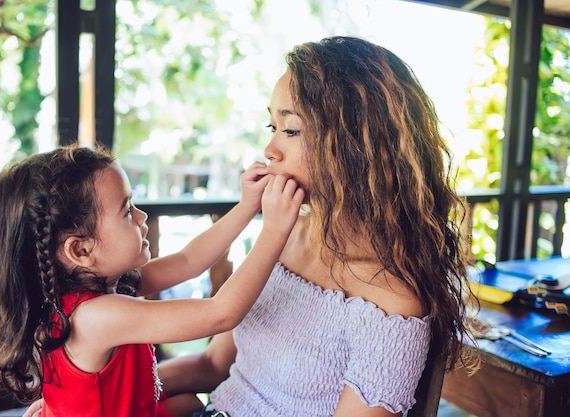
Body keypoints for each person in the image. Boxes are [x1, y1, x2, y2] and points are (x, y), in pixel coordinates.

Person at [156, 36, 478, 417]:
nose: (270, 150)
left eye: (290, 130)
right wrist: (114, 390)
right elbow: (213, 364)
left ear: (356, 144)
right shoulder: (284, 235)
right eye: (271, 125)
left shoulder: (392, 304)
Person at [0, 144, 304, 417]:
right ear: (81, 249)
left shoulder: (102, 285)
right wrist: (274, 232)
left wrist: (247, 207)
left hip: (137, 406)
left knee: (189, 401)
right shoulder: (96, 316)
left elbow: (189, 261)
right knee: (191, 402)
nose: (142, 216)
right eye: (126, 211)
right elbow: (221, 313)